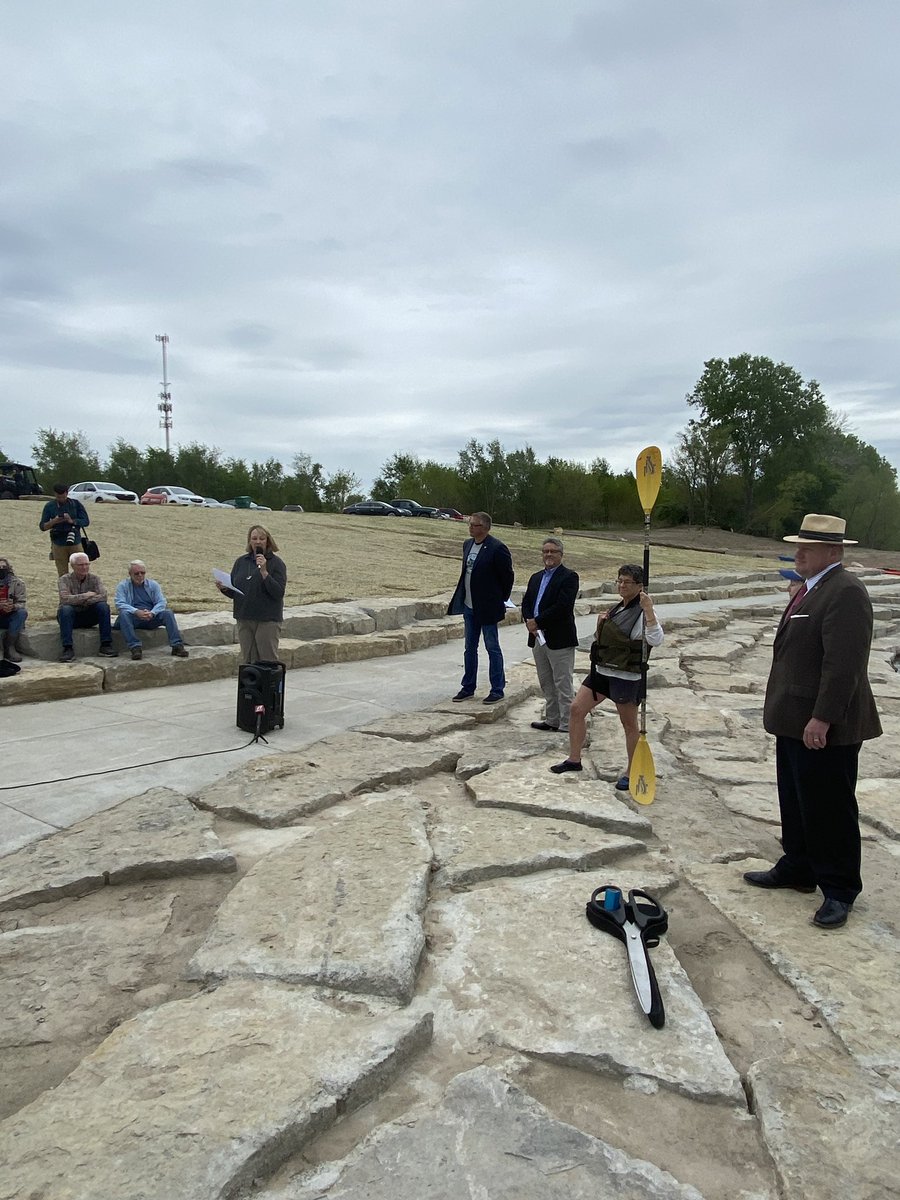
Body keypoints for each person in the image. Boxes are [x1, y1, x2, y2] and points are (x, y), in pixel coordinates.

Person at [743, 513, 882, 929]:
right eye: (798, 545)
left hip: (823, 724)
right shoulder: (812, 587)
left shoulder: (846, 591)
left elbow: (844, 665)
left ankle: (839, 888)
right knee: (796, 797)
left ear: (833, 552)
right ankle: (799, 866)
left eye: (808, 547)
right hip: (793, 717)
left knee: (830, 806)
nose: (798, 553)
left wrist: (823, 717)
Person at [551, 564, 663, 785]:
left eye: (627, 582)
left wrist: (649, 610)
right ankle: (574, 759)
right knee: (576, 709)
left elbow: (656, 639)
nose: (621, 585)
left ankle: (631, 771)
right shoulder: (617, 608)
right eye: (619, 581)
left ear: (640, 586)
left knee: (629, 724)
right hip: (601, 671)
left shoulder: (643, 612)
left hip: (626, 676)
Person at [447, 511, 514, 703]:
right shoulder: (467, 544)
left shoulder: (497, 548)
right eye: (469, 524)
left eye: (474, 525)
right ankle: (468, 686)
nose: (470, 527)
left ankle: (497, 689)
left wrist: (500, 599)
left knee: (492, 647)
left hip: (488, 607)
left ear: (485, 528)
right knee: (469, 647)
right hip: (469, 606)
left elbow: (507, 577)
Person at [521, 537, 579, 732]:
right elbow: (527, 602)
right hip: (538, 637)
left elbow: (563, 606)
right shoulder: (536, 577)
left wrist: (537, 621)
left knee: (563, 682)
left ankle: (567, 723)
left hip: (559, 638)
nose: (548, 554)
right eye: (545, 551)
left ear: (561, 554)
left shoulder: (569, 577)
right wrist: (529, 621)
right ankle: (552, 719)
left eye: (553, 551)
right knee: (546, 681)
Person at [216, 525, 287, 664]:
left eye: (262, 538)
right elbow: (236, 592)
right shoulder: (241, 562)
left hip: (267, 620)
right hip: (244, 617)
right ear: (249, 541)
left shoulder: (277, 563)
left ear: (268, 541)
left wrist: (264, 572)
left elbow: (278, 593)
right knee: (248, 663)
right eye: (254, 538)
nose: (258, 541)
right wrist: (224, 588)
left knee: (267, 662)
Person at [114, 560, 189, 660]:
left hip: (151, 617)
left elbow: (161, 602)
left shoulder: (153, 585)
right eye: (136, 573)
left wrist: (152, 613)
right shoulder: (123, 586)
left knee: (168, 613)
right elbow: (120, 603)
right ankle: (135, 647)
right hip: (134, 617)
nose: (140, 575)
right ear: (130, 574)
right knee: (124, 614)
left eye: (142, 573)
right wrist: (136, 612)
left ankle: (177, 646)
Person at [57, 552, 119, 661]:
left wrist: (80, 600)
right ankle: (67, 648)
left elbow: (103, 596)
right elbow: (65, 599)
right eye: (81, 565)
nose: (84, 567)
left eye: (86, 564)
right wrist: (86, 595)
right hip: (71, 617)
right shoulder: (64, 579)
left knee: (103, 606)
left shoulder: (95, 579)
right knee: (66, 609)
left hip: (89, 615)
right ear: (72, 566)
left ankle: (106, 645)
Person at [39, 483, 91, 577]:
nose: (61, 499)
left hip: (75, 540)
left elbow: (86, 521)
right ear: (55, 494)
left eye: (63, 497)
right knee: (62, 573)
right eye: (58, 497)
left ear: (67, 493)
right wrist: (54, 521)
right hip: (58, 542)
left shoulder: (75, 504)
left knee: (82, 570)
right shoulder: (49, 506)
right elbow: (42, 526)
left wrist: (72, 521)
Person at [0, 556, 28, 663]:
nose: (1, 570)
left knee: (22, 613)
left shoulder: (17, 583)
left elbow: (22, 603)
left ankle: (10, 646)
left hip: (10, 616)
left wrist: (12, 607)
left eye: (4, 567)